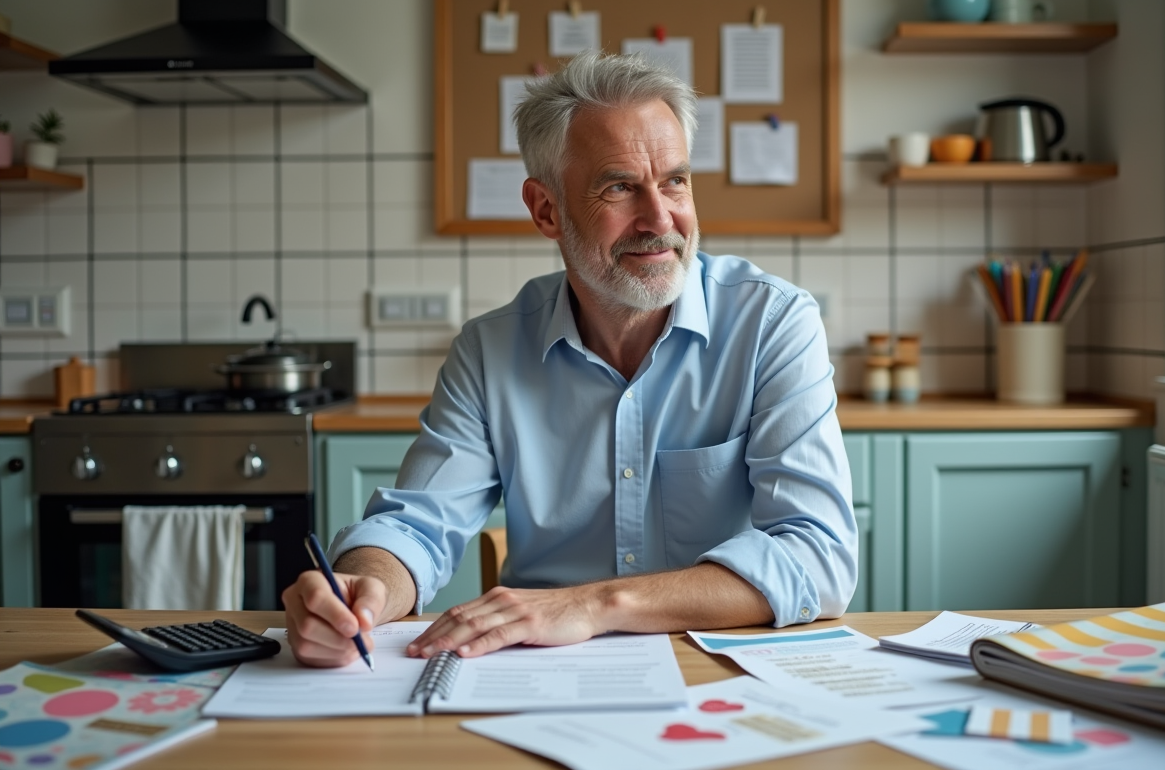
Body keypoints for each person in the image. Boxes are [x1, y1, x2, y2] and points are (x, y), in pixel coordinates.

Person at [282, 51, 856, 667]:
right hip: (543, 672)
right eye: (619, 186)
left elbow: (818, 558)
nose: (660, 218)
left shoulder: (772, 323)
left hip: (718, 669)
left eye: (675, 181)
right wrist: (363, 590)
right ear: (546, 209)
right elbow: (416, 526)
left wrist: (593, 604)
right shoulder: (489, 351)